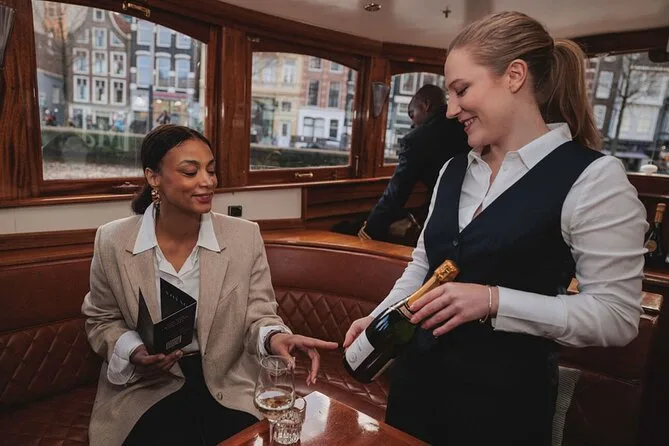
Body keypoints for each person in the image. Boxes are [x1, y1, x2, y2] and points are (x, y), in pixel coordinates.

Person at [344, 11, 647, 446]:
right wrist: (378, 317)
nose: (451, 109)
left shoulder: (594, 178)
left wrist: (493, 300)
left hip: (503, 408)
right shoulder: (453, 169)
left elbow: (616, 318)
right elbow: (422, 268)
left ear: (515, 76)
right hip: (414, 390)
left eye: (461, 90)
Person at [81, 125, 338, 446]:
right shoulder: (112, 240)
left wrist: (275, 337)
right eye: (190, 172)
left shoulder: (244, 236)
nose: (207, 181)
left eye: (211, 170)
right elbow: (101, 319)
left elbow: (259, 315)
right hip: (148, 387)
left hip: (228, 380)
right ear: (153, 177)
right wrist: (133, 350)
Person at [358, 84, 469, 242]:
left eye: (412, 114)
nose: (412, 124)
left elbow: (397, 191)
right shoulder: (466, 127)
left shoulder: (418, 139)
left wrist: (370, 230)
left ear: (425, 105)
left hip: (444, 221)